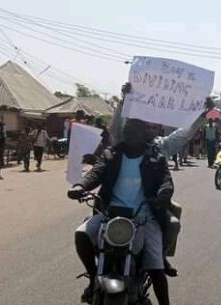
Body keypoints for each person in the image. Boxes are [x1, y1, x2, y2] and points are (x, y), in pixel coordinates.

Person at [67, 119, 172, 305]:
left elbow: (166, 180)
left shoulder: (155, 158)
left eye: (134, 133)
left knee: (156, 267)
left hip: (144, 217)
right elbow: (96, 173)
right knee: (81, 234)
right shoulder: (111, 155)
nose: (129, 136)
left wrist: (163, 195)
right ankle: (93, 278)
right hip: (110, 216)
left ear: (143, 135)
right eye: (127, 133)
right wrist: (80, 186)